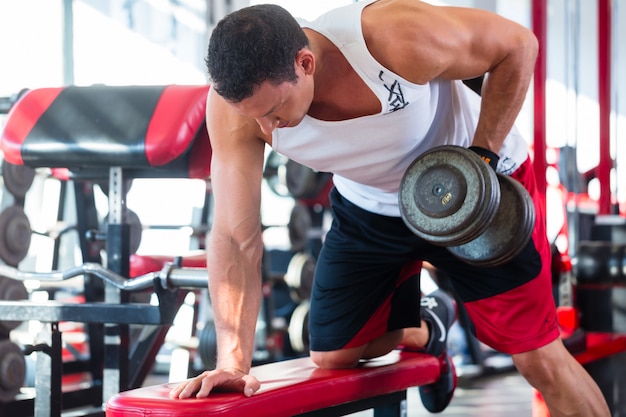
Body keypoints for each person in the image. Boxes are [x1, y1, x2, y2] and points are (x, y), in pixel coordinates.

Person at [170, 1, 611, 415]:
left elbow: (518, 45)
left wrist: (483, 157)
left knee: (537, 358)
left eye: (275, 110)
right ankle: (431, 324)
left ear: (305, 64)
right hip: (371, 205)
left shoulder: (392, 38)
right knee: (332, 355)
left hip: (472, 190)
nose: (266, 129)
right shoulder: (235, 111)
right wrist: (232, 361)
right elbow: (234, 235)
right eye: (255, 118)